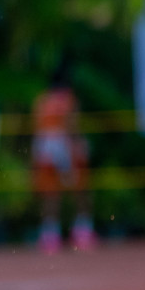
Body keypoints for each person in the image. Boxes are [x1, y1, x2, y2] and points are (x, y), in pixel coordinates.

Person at [31, 60, 95, 253]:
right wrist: (77, 143)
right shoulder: (68, 99)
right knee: (80, 188)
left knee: (51, 192)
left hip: (44, 146)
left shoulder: (42, 101)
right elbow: (71, 125)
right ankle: (82, 231)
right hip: (63, 143)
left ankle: (50, 235)